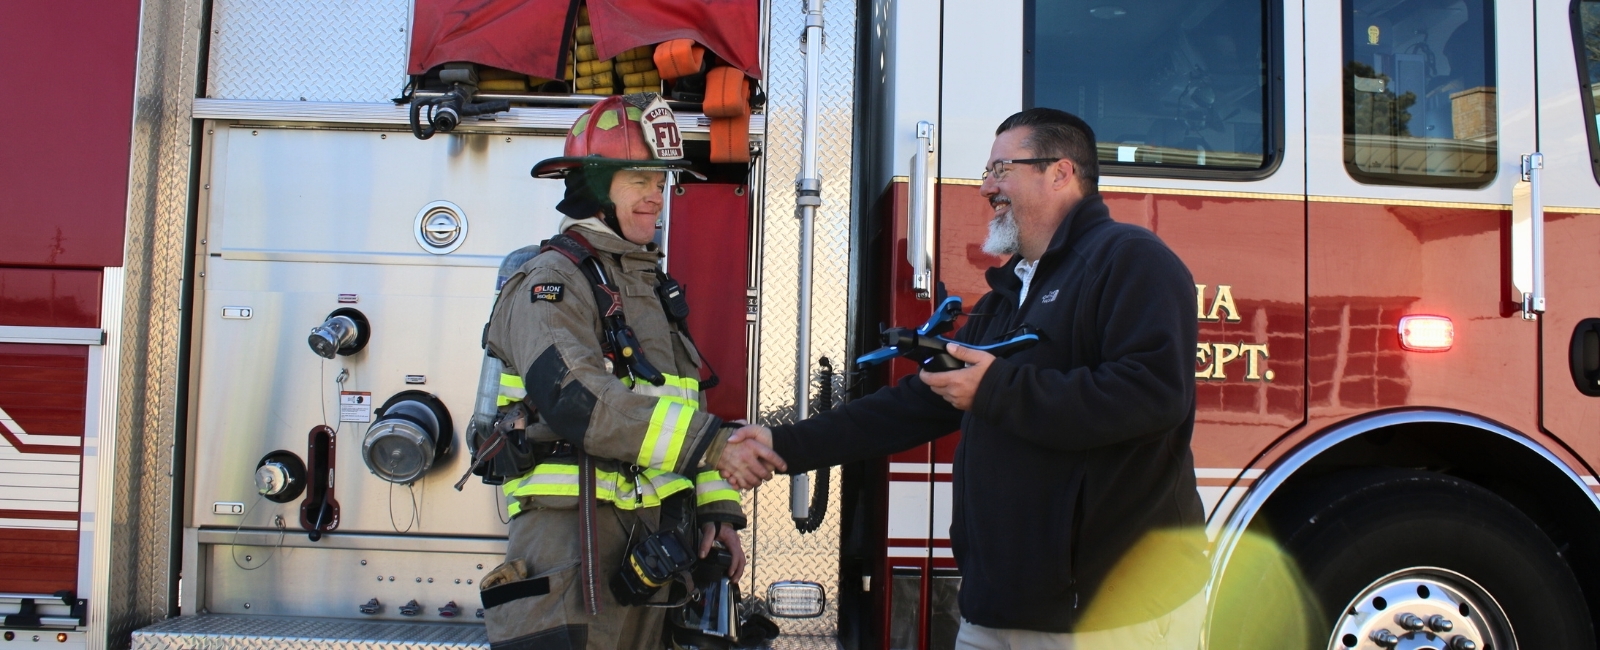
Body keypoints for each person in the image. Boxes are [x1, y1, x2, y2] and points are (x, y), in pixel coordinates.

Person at [718, 108, 1209, 648]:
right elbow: (918, 403)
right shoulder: (1009, 292)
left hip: (1111, 614)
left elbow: (1152, 395)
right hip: (995, 609)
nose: (984, 187)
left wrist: (996, 389)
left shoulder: (1132, 261)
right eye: (986, 171)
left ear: (1061, 173)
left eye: (1001, 168)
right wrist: (784, 443)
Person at [478, 94, 776, 650]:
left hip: (649, 544)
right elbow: (577, 399)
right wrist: (713, 447)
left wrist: (716, 508)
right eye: (639, 179)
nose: (656, 198)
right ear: (593, 185)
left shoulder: (645, 285)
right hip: (571, 543)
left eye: (661, 183)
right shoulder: (553, 281)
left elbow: (685, 406)